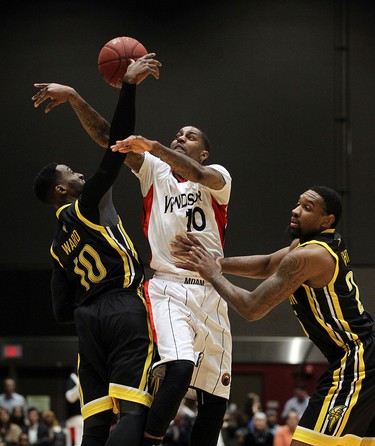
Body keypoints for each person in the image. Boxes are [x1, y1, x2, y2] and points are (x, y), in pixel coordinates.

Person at [32, 85, 232, 446]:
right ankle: (151, 441)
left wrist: (155, 146)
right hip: (165, 286)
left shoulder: (217, 174)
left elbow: (201, 176)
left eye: (189, 137)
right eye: (177, 135)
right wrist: (79, 100)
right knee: (177, 370)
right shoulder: (153, 171)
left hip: (211, 289)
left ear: (203, 152)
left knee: (215, 401)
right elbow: (111, 140)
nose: (179, 138)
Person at [172, 186, 375, 446]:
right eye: (298, 203)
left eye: (307, 207)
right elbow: (267, 264)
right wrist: (216, 263)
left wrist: (213, 275)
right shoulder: (310, 245)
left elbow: (252, 307)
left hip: (357, 359)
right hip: (360, 356)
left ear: (327, 220)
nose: (296, 210)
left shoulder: (309, 256)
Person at [32, 54, 161, 446]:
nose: (80, 174)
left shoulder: (57, 246)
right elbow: (117, 147)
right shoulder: (86, 205)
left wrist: (94, 311)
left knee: (96, 424)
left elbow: (59, 312)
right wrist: (129, 86)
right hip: (124, 305)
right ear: (61, 190)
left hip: (88, 322)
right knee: (136, 409)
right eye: (71, 173)